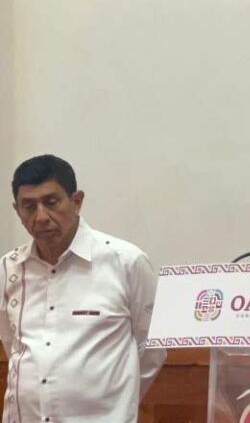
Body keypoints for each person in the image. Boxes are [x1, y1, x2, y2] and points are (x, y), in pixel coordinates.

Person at [0, 155, 167, 422]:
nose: (40, 217)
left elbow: (152, 350)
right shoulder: (8, 268)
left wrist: (117, 404)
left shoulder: (125, 262)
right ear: (17, 210)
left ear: (76, 201)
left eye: (51, 202)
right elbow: (13, 345)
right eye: (28, 206)